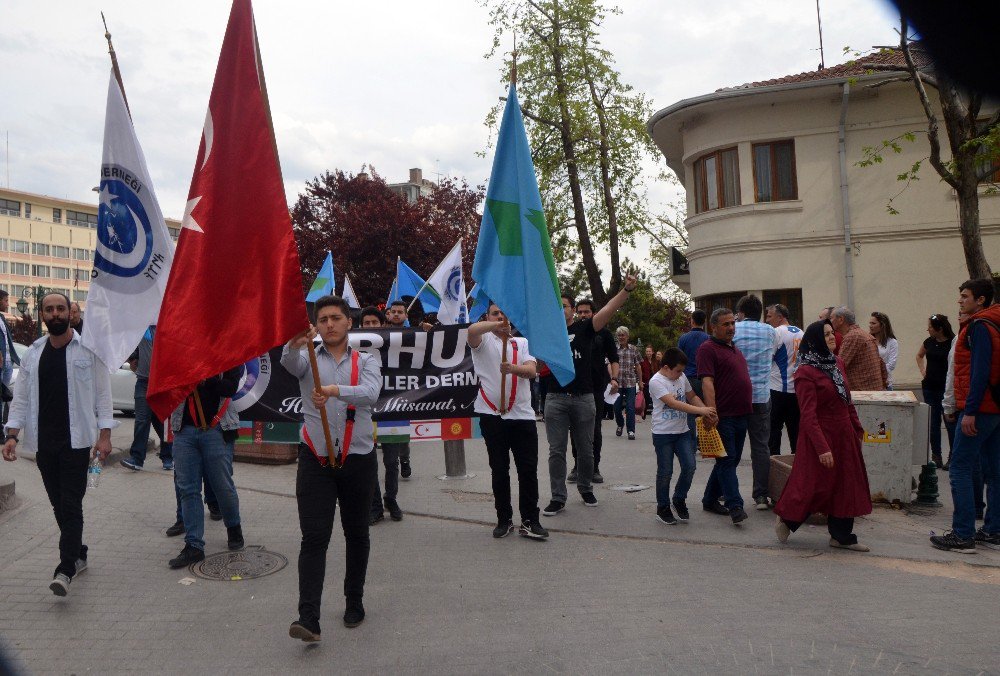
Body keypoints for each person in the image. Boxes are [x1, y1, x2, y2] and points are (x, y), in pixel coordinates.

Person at [282, 295, 381, 641]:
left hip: (358, 458)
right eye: (322, 319)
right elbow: (288, 362)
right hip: (315, 458)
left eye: (335, 318)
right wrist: (294, 342)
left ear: (348, 322)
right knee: (314, 538)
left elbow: (370, 393)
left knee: (357, 535)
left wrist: (335, 391)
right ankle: (308, 617)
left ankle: (354, 600)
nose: (329, 324)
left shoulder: (366, 360)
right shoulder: (308, 357)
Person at [2, 292, 114, 596]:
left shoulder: (88, 350)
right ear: (42, 315)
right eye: (49, 309)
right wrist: (12, 434)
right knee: (57, 504)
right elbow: (21, 399)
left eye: (60, 308)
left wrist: (105, 436)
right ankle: (79, 551)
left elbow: (104, 396)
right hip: (44, 444)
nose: (55, 314)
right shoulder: (33, 354)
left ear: (70, 313)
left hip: (77, 443)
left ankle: (65, 569)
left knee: (70, 504)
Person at [542, 274, 636, 516]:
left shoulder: (586, 328)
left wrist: (626, 289)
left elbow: (608, 309)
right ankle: (558, 496)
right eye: (556, 306)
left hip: (584, 398)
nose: (559, 309)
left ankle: (585, 488)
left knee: (586, 449)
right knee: (556, 451)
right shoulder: (547, 332)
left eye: (563, 306)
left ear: (573, 310)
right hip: (555, 399)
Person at [774, 321, 872, 551]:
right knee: (814, 485)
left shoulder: (837, 363)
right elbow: (808, 415)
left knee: (846, 483)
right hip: (820, 435)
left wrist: (857, 429)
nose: (831, 338)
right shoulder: (805, 372)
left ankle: (841, 535)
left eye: (832, 333)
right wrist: (822, 448)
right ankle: (788, 519)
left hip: (844, 434)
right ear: (815, 339)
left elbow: (846, 400)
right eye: (826, 334)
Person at [931, 279, 1000, 554]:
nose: (960, 301)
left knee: (959, 467)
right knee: (994, 472)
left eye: (965, 296)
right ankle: (994, 529)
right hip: (995, 408)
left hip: (979, 408)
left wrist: (969, 410)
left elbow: (979, 372)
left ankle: (962, 534)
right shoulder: (995, 322)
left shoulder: (980, 326)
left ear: (980, 300)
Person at [467, 303, 548, 539]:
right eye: (495, 313)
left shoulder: (521, 343)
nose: (500, 317)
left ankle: (531, 520)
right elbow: (472, 331)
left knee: (528, 470)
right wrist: (496, 326)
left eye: (504, 314)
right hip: (491, 416)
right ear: (488, 317)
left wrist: (512, 368)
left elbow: (532, 371)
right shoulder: (483, 342)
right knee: (499, 470)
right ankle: (504, 519)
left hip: (521, 415)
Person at [167, 365, 245, 569]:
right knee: (188, 489)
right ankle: (194, 545)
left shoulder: (227, 353)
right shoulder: (181, 355)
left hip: (218, 429)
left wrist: (204, 379)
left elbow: (230, 387)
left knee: (222, 486)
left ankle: (234, 527)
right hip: (184, 431)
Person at [698, 307, 753, 526]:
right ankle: (735, 505)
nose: (731, 328)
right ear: (714, 327)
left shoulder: (734, 349)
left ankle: (710, 499)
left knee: (729, 459)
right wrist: (712, 412)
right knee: (727, 460)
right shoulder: (707, 349)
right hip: (724, 416)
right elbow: (707, 382)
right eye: (726, 324)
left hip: (742, 414)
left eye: (733, 323)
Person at [649, 348, 716, 525]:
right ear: (665, 367)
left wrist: (706, 412)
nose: (680, 375)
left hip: (683, 432)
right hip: (663, 434)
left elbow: (691, 396)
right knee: (665, 472)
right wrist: (701, 411)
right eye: (677, 371)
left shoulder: (681, 377)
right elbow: (674, 404)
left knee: (690, 466)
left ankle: (679, 499)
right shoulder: (656, 382)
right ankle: (662, 507)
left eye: (682, 371)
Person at [733, 295, 779, 510]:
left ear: (740, 312)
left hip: (737, 396)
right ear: (760, 312)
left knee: (732, 446)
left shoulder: (734, 329)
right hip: (761, 395)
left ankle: (727, 491)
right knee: (761, 447)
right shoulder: (770, 331)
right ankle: (761, 496)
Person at [359, 306, 404, 524]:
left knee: (391, 461)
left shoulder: (395, 344)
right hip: (367, 412)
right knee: (371, 462)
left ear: (381, 325)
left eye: (374, 323)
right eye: (366, 324)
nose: (370, 327)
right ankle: (375, 506)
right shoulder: (353, 349)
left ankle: (391, 499)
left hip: (393, 411)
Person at [568, 299, 618, 484]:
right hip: (575, 387)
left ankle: (594, 467)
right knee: (574, 429)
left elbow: (614, 358)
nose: (583, 315)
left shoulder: (603, 333)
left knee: (594, 429)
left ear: (594, 313)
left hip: (597, 388)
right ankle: (577, 466)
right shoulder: (571, 332)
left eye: (586, 312)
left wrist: (614, 378)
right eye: (580, 312)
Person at [121, 325, 173, 471]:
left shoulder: (166, 324)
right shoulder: (141, 326)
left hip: (162, 384)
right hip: (143, 382)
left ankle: (168, 456)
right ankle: (137, 459)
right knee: (142, 420)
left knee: (163, 422)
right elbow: (130, 343)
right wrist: (133, 359)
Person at [916, 314, 956, 467]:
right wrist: (923, 371)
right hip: (929, 387)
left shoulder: (952, 343)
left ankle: (952, 455)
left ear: (939, 329)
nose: (928, 330)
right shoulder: (929, 342)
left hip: (946, 389)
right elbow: (919, 356)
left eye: (930, 327)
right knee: (933, 423)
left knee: (949, 422)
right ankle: (936, 455)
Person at [766, 304, 801, 455]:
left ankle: (774, 468)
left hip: (777, 388)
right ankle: (799, 466)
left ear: (780, 317)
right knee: (796, 431)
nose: (767, 320)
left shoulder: (776, 332)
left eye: (769, 316)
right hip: (796, 390)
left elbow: (768, 358)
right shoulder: (801, 332)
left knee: (774, 431)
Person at [383, 300, 413, 480]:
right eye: (393, 311)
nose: (396, 314)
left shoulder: (414, 333)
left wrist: (427, 330)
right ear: (388, 314)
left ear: (405, 315)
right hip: (383, 389)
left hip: (404, 389)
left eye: (400, 312)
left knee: (402, 428)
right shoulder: (378, 333)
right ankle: (390, 462)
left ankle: (405, 459)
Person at [830, 307, 887, 391]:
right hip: (873, 391)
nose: (829, 321)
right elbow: (882, 364)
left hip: (863, 394)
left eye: (831, 318)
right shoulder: (863, 334)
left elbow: (839, 366)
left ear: (841, 319)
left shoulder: (852, 337)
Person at [678, 309, 711, 442]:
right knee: (705, 410)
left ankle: (691, 441)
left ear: (692, 321)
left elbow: (678, 358)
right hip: (705, 379)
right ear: (704, 322)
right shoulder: (709, 339)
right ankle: (705, 440)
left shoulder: (684, 338)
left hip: (688, 379)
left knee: (690, 411)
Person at [612, 326, 642, 441]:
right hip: (617, 382)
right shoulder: (614, 349)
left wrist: (640, 381)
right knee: (616, 407)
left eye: (623, 335)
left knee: (630, 407)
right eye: (619, 335)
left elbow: (638, 366)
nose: (621, 337)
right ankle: (620, 424)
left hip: (630, 382)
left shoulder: (633, 349)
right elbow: (609, 363)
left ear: (627, 336)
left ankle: (631, 430)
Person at [0, 290, 21, 424]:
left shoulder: (2, 318)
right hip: (1, 364)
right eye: (6, 300)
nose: (8, 304)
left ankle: (2, 428)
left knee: (3, 398)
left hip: (7, 364)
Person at [869, 312, 899, 389]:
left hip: (885, 382)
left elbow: (891, 364)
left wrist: (877, 371)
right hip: (869, 382)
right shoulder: (867, 340)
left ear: (882, 325)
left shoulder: (892, 342)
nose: (870, 326)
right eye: (870, 323)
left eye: (873, 323)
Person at [640, 345, 655, 417]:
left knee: (655, 399)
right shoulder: (642, 361)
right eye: (647, 351)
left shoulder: (655, 361)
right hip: (646, 383)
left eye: (649, 351)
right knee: (646, 399)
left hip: (655, 383)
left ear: (652, 352)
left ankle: (655, 414)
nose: (648, 353)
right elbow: (638, 371)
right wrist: (640, 380)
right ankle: (643, 414)